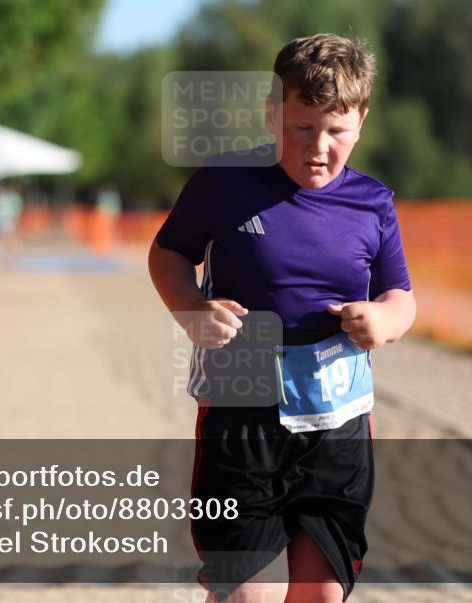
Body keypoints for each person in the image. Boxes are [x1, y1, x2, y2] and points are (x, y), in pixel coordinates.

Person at [148, 33, 416, 603]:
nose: (318, 147)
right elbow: (167, 254)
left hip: (336, 423)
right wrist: (192, 310)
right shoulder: (224, 182)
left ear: (361, 121)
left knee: (319, 596)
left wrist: (384, 322)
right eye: (302, 127)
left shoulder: (373, 203)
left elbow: (401, 295)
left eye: (337, 130)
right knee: (253, 596)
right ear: (273, 113)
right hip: (242, 415)